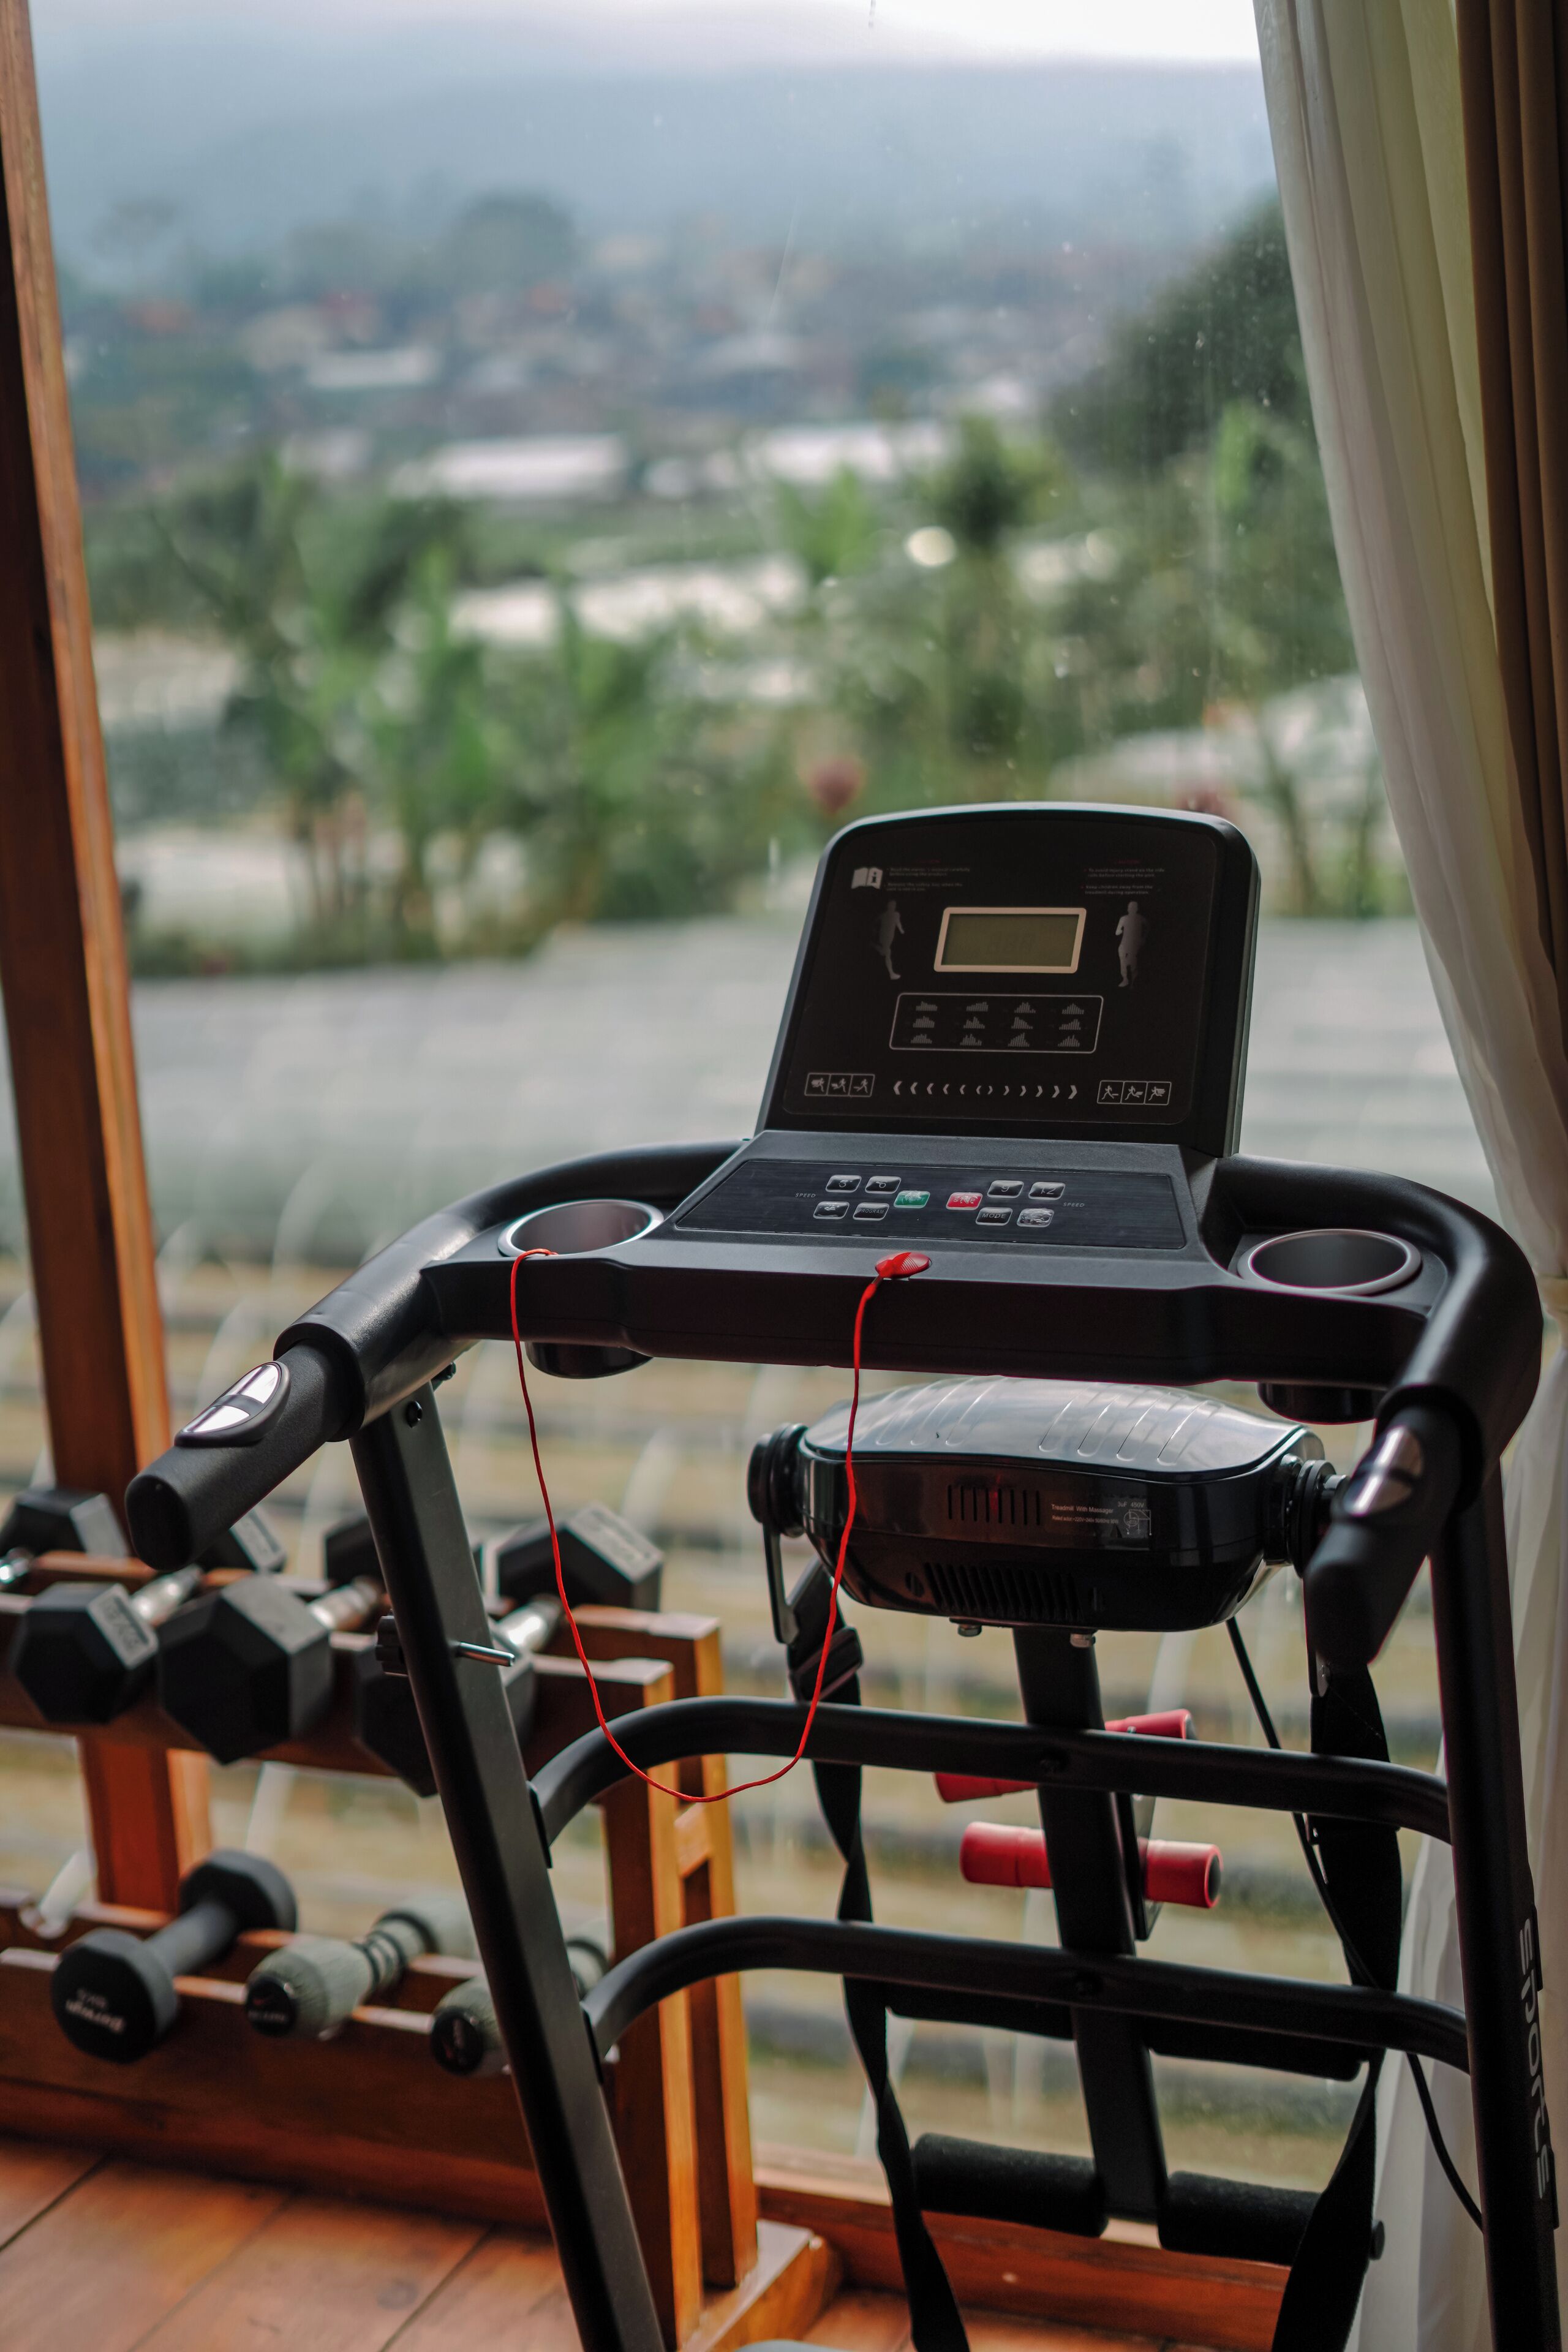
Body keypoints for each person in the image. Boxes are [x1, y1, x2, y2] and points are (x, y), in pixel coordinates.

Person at [1115, 900, 1147, 988]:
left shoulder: (1140, 918)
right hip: (1123, 945)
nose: (1131, 909)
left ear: (1137, 909)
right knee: (1123, 961)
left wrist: (1143, 938)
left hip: (1134, 945)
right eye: (1129, 907)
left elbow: (1148, 927)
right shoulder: (1124, 919)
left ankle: (1133, 981)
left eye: (1133, 908)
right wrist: (1120, 931)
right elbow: (1117, 932)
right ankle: (1125, 979)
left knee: (1133, 963)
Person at [876, 899, 905, 982]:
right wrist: (875, 930)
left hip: (890, 937)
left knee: (884, 952)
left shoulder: (896, 914)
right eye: (892, 905)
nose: (893, 907)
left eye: (894, 905)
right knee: (887, 953)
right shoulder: (883, 915)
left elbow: (898, 923)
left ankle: (872, 945)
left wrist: (901, 930)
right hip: (884, 937)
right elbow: (876, 922)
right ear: (888, 906)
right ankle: (891, 974)